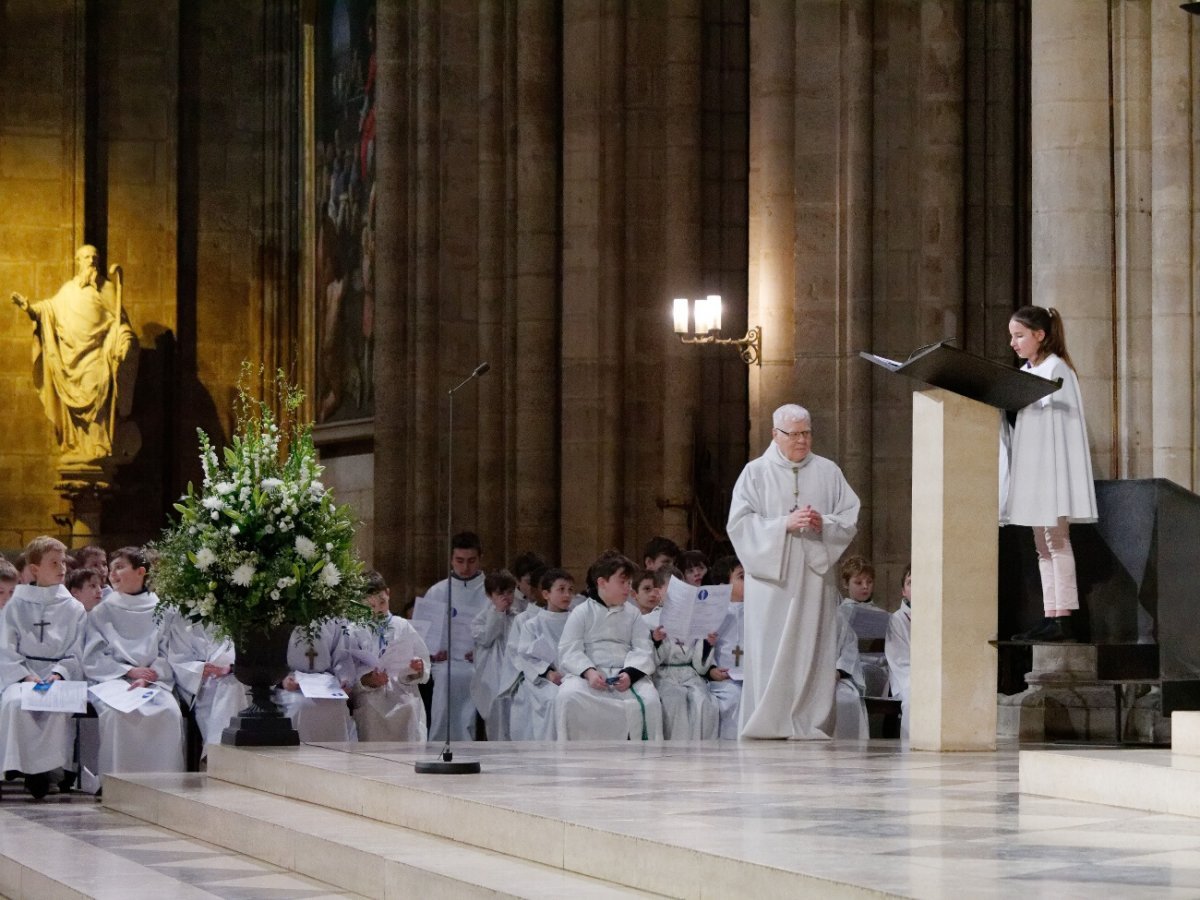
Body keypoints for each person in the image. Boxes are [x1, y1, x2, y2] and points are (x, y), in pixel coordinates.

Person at [727, 403, 861, 740]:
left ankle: (809, 724)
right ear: (775, 434)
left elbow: (849, 515)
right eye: (794, 434)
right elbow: (739, 524)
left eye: (806, 433)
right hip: (772, 582)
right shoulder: (755, 473)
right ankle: (769, 723)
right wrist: (783, 524)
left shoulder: (828, 471)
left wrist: (823, 523)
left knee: (812, 650)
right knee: (772, 649)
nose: (802, 441)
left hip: (814, 579)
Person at [1003, 306, 1098, 642]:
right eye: (1012, 336)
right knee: (1041, 545)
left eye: (1019, 336)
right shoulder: (1029, 369)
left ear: (1039, 335)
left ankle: (1064, 617)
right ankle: (1050, 612)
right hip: (1034, 468)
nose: (1013, 343)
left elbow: (1060, 426)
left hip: (1051, 468)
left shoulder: (1057, 368)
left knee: (1057, 541)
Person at [10, 245, 138, 465]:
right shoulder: (68, 290)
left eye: (95, 258)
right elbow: (49, 309)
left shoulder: (107, 290)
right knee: (74, 407)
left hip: (97, 358)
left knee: (96, 396)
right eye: (86, 257)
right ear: (77, 261)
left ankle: (99, 447)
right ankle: (76, 445)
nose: (91, 261)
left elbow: (122, 324)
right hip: (70, 360)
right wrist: (30, 308)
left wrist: (125, 341)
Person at [82, 547, 186, 782]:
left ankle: (164, 782)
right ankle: (117, 783)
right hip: (113, 681)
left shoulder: (163, 610)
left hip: (153, 681)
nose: (113, 574)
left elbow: (168, 651)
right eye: (112, 568)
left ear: (141, 572)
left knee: (168, 712)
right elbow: (93, 656)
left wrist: (150, 675)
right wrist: (127, 671)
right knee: (119, 715)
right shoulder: (101, 612)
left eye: (120, 567)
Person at [0, 536, 86, 798]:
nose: (62, 568)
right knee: (16, 703)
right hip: (23, 675)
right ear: (35, 570)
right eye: (54, 563)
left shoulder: (74, 607)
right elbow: (5, 648)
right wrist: (26, 677)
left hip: (58, 675)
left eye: (63, 562)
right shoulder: (16, 605)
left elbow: (77, 652)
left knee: (55, 706)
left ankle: (48, 771)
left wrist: (59, 675)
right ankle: (24, 768)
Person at [555, 553, 663, 741]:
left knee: (650, 700)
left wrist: (629, 674)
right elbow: (569, 649)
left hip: (624, 675)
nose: (628, 588)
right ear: (602, 583)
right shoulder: (582, 612)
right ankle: (574, 756)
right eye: (623, 582)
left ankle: (645, 761)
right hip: (591, 676)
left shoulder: (633, 614)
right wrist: (589, 673)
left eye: (630, 583)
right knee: (568, 696)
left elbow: (643, 648)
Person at [346, 571, 429, 742]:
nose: (378, 610)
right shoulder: (354, 631)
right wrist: (367, 680)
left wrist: (415, 670)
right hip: (370, 695)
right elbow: (348, 672)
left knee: (410, 707)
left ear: (388, 593)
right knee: (370, 711)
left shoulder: (403, 626)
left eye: (382, 602)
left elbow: (422, 660)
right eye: (371, 606)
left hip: (402, 689)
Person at [423, 531, 489, 741]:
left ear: (480, 558)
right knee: (446, 679)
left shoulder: (491, 591)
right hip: (446, 662)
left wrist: (481, 652)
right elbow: (423, 635)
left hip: (482, 662)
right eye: (460, 561)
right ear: (451, 559)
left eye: (471, 561)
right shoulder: (437, 591)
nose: (465, 567)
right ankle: (441, 742)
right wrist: (433, 653)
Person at [645, 569, 719, 741]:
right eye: (672, 589)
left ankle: (702, 755)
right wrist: (655, 640)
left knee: (703, 702)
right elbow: (647, 658)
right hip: (664, 674)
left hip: (690, 674)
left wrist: (708, 643)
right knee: (674, 700)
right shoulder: (647, 620)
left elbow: (700, 666)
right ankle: (676, 753)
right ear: (658, 591)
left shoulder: (692, 619)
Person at [166, 616, 247, 756]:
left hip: (238, 675)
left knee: (232, 684)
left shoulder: (232, 611)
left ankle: (217, 752)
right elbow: (178, 659)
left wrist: (232, 666)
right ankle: (223, 752)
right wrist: (200, 669)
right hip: (201, 682)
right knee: (224, 688)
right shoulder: (183, 616)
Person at [510, 567, 574, 741]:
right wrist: (548, 673)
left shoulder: (577, 620)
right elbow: (525, 656)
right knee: (554, 698)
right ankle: (550, 747)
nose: (567, 595)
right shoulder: (532, 624)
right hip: (543, 679)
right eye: (561, 589)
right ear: (546, 594)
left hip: (574, 675)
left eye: (570, 590)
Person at [277, 619, 356, 742]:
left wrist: (344, 679)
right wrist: (282, 678)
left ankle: (336, 758)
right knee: (301, 705)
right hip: (292, 681)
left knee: (337, 706)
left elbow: (342, 655)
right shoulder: (285, 613)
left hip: (327, 681)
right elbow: (273, 652)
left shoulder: (334, 617)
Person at [470, 570, 520, 740]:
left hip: (513, 670)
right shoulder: (481, 618)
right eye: (500, 593)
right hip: (492, 674)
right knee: (496, 714)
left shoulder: (518, 617)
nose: (506, 597)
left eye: (510, 592)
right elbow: (486, 638)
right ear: (489, 595)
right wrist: (498, 613)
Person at [838, 555, 889, 698]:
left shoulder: (884, 615)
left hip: (881, 666)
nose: (865, 586)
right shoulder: (839, 614)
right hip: (851, 668)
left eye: (869, 582)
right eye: (858, 582)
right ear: (846, 584)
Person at [707, 555, 744, 739]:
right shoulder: (714, 612)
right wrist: (711, 669)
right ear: (724, 586)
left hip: (750, 676)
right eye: (742, 577)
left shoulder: (757, 609)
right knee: (733, 698)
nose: (749, 583)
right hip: (723, 678)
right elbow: (704, 645)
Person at [886, 565, 913, 740]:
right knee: (915, 700)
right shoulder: (897, 620)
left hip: (936, 678)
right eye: (911, 583)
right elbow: (900, 661)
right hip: (907, 679)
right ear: (903, 591)